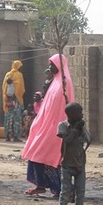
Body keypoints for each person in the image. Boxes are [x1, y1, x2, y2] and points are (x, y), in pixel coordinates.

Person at [21, 54, 75, 197]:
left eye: (52, 65)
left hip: (56, 128)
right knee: (35, 153)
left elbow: (65, 107)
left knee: (50, 158)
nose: (50, 68)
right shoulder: (54, 82)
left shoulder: (65, 82)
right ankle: (40, 185)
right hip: (45, 125)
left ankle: (62, 190)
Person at [57, 102, 91, 205]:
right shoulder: (63, 126)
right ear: (71, 114)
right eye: (79, 112)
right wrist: (75, 130)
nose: (81, 115)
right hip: (67, 163)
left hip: (80, 163)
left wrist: (82, 129)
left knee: (80, 191)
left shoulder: (81, 127)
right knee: (65, 190)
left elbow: (89, 140)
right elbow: (67, 141)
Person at [3, 60, 26, 142]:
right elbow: (21, 89)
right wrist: (17, 96)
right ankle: (16, 136)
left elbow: (4, 87)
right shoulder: (19, 75)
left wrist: (7, 97)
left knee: (8, 118)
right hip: (16, 100)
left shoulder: (8, 74)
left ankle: (8, 136)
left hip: (8, 99)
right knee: (16, 118)